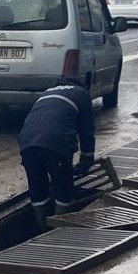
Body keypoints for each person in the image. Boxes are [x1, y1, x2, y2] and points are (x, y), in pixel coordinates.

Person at [18, 78, 97, 229]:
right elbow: (87, 130)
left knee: (38, 190)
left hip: (27, 144)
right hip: (57, 143)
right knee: (63, 189)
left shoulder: (45, 94)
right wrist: (87, 158)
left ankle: (42, 231)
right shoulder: (82, 94)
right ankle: (59, 231)